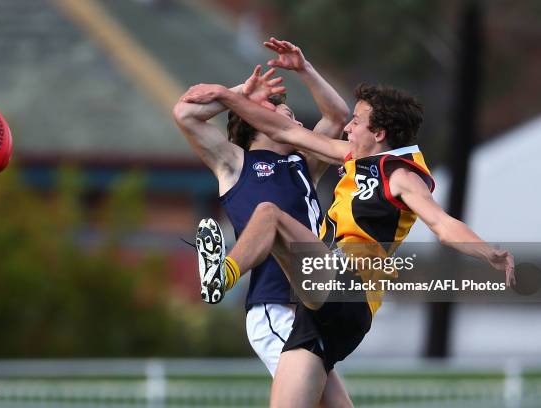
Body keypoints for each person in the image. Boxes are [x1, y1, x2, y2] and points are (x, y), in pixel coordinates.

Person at [182, 82, 516, 408]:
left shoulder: (401, 175)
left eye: (357, 121)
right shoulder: (353, 159)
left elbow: (442, 224)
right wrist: (278, 77)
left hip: (350, 283)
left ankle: (223, 275)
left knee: (270, 215)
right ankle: (222, 275)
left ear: (379, 133)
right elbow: (290, 133)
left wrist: (488, 251)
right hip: (320, 311)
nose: (349, 126)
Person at [173, 38, 354, 407]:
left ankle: (223, 271)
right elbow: (185, 114)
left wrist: (305, 68)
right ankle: (223, 274)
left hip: (312, 305)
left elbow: (337, 115)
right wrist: (237, 93)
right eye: (282, 113)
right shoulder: (235, 163)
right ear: (259, 121)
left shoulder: (305, 163)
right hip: (276, 308)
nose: (295, 119)